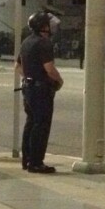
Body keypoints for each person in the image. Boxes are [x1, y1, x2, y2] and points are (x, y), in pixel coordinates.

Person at [15, 11, 64, 174]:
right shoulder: (44, 43)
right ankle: (36, 162)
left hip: (28, 89)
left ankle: (27, 159)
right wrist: (59, 80)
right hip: (41, 90)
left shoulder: (26, 42)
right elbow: (49, 69)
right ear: (44, 26)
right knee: (41, 126)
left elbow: (17, 67)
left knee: (31, 123)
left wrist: (29, 77)